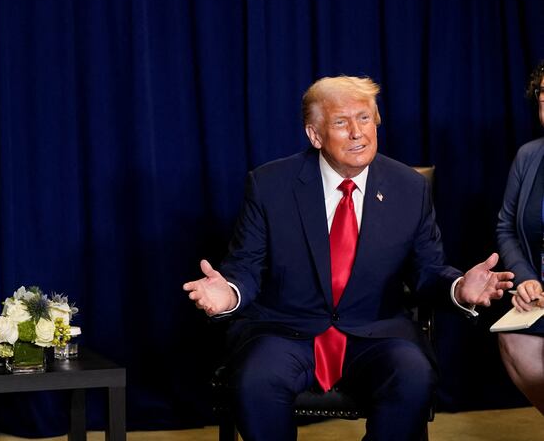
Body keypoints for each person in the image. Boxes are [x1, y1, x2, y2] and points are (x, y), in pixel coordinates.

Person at [183, 75, 513, 441]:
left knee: (412, 374)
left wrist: (458, 287)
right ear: (315, 135)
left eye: (365, 118)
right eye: (341, 122)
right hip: (286, 330)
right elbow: (246, 266)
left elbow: (427, 270)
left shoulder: (409, 187)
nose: (358, 133)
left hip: (377, 331)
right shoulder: (269, 184)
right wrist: (229, 293)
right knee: (255, 379)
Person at [496, 60, 544, 415]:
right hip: (540, 297)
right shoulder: (528, 156)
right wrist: (526, 279)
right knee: (513, 337)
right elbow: (507, 228)